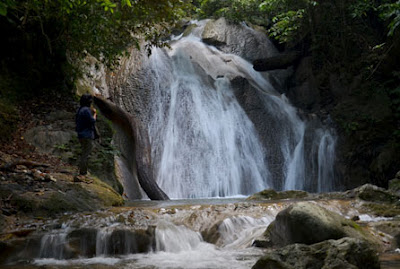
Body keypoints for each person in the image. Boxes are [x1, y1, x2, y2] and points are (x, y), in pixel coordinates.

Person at [75, 94, 97, 177]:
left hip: (81, 134)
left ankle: (81, 170)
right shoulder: (86, 110)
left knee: (84, 153)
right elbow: (92, 121)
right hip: (86, 135)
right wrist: (94, 114)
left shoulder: (80, 109)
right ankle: (83, 172)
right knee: (86, 154)